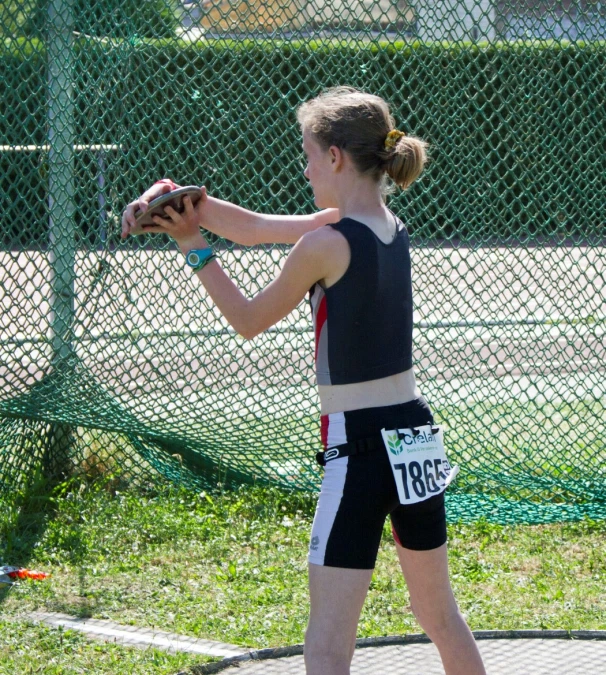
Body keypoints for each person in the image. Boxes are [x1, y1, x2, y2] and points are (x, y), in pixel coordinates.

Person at [121, 86, 486, 675]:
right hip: (415, 433)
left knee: (326, 640)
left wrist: (191, 244)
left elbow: (247, 320)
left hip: (360, 445)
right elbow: (256, 227)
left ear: (336, 157)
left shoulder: (324, 242)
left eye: (309, 155)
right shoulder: (386, 224)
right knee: (438, 612)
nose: (306, 167)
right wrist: (178, 202)